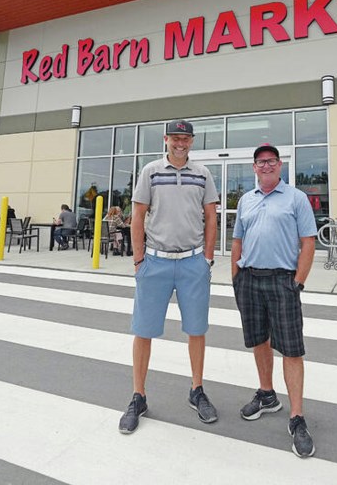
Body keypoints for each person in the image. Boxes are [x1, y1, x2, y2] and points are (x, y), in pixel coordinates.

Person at [119, 119, 219, 435]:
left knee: (196, 330)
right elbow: (137, 216)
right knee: (143, 331)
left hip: (192, 264)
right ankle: (138, 396)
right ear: (166, 139)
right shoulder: (150, 172)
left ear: (192, 142)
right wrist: (138, 262)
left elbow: (211, 217)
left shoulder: (203, 175)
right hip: (155, 263)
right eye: (175, 138)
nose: (180, 143)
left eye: (185, 139)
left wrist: (207, 259)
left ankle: (197, 390)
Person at [231, 143, 318, 458]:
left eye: (271, 161)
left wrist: (298, 282)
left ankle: (296, 417)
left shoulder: (296, 199)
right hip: (250, 280)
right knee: (259, 340)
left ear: (279, 165)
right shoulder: (246, 200)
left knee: (292, 350)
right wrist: (236, 277)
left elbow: (308, 241)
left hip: (283, 281)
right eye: (260, 162)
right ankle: (267, 395)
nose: (266, 165)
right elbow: (237, 238)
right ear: (254, 168)